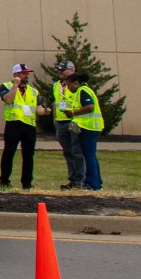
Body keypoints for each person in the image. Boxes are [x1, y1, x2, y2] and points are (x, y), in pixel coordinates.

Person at [41, 60, 87, 190]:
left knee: (77, 151)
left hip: (74, 120)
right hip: (60, 121)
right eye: (59, 70)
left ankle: (79, 180)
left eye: (63, 70)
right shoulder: (56, 85)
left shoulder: (78, 84)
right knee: (67, 151)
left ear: (72, 70)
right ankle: (72, 179)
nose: (60, 72)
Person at [57, 67, 104, 192]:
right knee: (90, 155)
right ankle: (96, 182)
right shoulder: (79, 91)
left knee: (89, 155)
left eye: (69, 85)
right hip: (85, 126)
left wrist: (73, 112)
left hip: (89, 127)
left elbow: (89, 106)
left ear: (76, 83)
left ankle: (92, 184)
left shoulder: (83, 90)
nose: (68, 88)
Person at [0, 62, 39, 189]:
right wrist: (15, 85)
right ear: (16, 74)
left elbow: (39, 108)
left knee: (28, 156)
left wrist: (45, 110)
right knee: (9, 153)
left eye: (27, 74)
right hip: (13, 124)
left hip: (29, 126)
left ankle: (27, 183)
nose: (26, 76)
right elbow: (8, 100)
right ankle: (5, 180)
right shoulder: (5, 86)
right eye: (23, 73)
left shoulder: (33, 91)